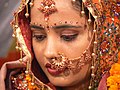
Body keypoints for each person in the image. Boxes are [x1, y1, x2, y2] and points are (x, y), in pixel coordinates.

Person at [0, 0, 119, 90]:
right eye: (39, 36)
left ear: (104, 33)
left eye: (68, 36)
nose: (49, 52)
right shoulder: (12, 85)